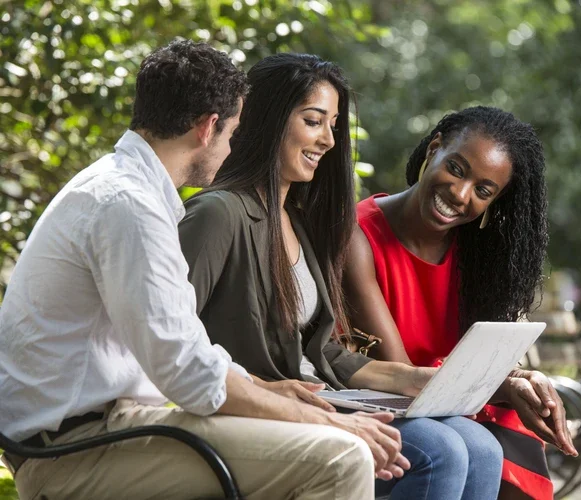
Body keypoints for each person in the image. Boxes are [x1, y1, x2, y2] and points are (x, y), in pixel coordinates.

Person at [0, 40, 410, 500]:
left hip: (107, 428)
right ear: (207, 127)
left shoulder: (127, 190)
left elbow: (184, 347)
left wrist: (267, 389)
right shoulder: (128, 205)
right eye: (233, 133)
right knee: (341, 455)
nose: (234, 147)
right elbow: (188, 373)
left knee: (335, 443)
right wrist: (328, 419)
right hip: (74, 448)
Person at [178, 53, 504, 500]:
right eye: (314, 121)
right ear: (269, 119)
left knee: (483, 448)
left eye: (333, 125)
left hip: (327, 396)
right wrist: (262, 387)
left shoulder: (297, 221)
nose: (329, 140)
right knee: (438, 450)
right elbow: (170, 342)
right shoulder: (218, 214)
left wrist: (410, 379)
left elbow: (325, 351)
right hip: (259, 411)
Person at [342, 106, 579, 500]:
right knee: (466, 446)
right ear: (434, 148)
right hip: (387, 399)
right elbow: (402, 373)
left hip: (454, 405)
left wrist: (521, 378)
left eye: (483, 191)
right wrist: (501, 385)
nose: (460, 193)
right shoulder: (358, 234)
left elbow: (479, 354)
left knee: (488, 447)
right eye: (456, 168)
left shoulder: (477, 255)